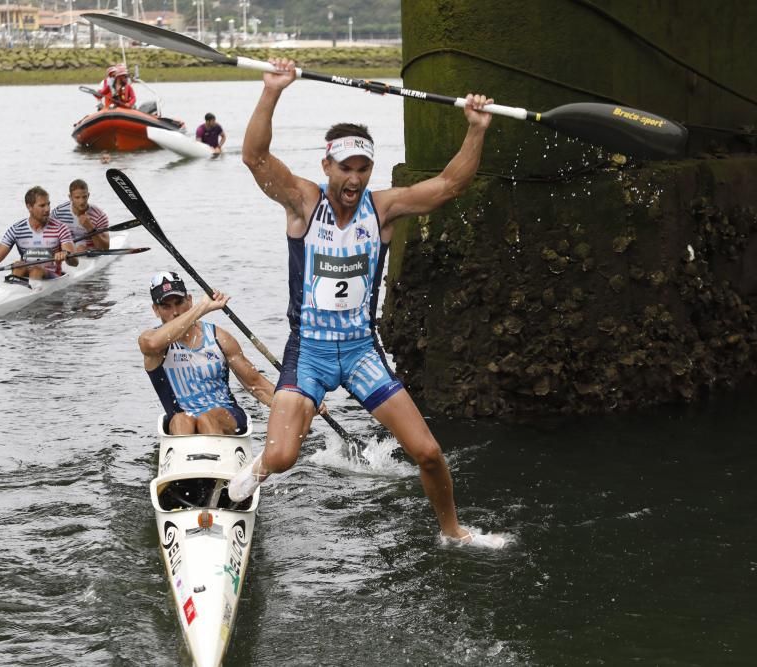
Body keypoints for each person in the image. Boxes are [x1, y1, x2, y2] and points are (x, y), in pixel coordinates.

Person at [227, 57, 505, 548]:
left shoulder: (384, 208)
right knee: (284, 457)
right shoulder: (302, 202)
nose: (354, 180)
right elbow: (254, 158)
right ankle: (260, 466)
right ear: (327, 166)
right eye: (345, 169)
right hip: (309, 351)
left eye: (363, 168)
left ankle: (453, 533)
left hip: (360, 352)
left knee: (429, 453)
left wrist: (476, 130)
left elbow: (449, 186)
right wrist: (272, 91)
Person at [139, 271, 275, 435]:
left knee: (207, 419)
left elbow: (258, 385)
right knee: (182, 420)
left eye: (179, 302)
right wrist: (202, 308)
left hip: (226, 416)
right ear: (155, 310)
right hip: (181, 423)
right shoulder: (151, 343)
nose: (175, 312)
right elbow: (151, 344)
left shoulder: (220, 338)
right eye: (165, 306)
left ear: (189, 300)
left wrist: (297, 406)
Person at [0, 186, 77, 281]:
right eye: (42, 205)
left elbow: (75, 262)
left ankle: (29, 289)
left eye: (48, 204)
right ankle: (15, 287)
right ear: (29, 207)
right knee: (18, 266)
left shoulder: (61, 228)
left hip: (51, 276)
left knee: (36, 270)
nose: (47, 209)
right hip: (25, 274)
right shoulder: (16, 229)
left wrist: (66, 254)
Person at [51, 179, 110, 252]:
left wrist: (90, 228)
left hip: (89, 254)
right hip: (66, 252)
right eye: (77, 197)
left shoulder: (99, 216)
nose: (81, 201)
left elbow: (105, 248)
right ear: (70, 197)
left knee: (81, 248)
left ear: (88, 195)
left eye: (84, 197)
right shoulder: (58, 213)